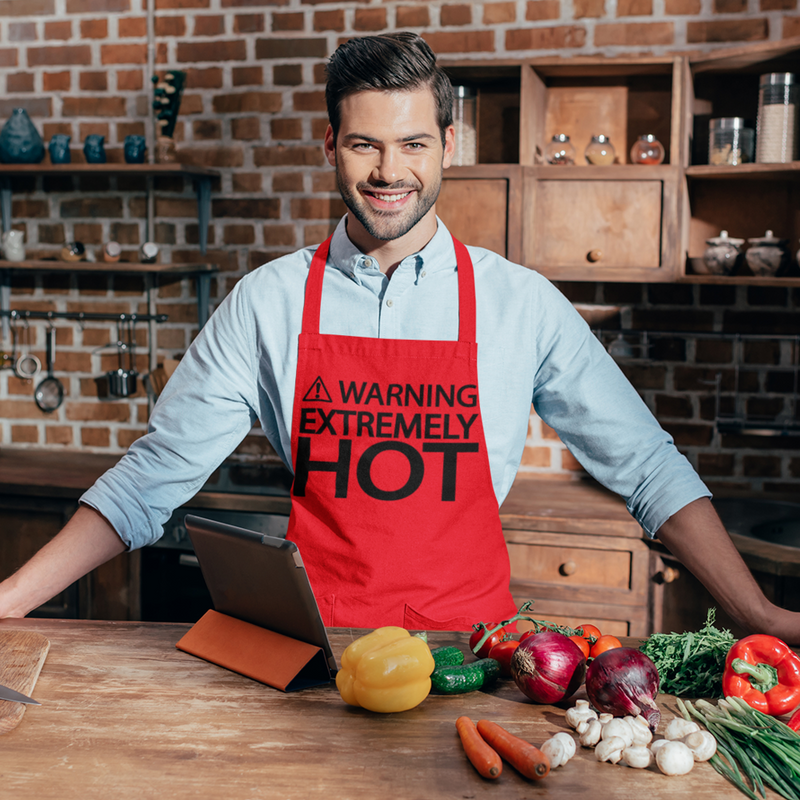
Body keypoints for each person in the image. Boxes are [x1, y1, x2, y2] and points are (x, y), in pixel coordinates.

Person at [1, 33, 798, 642]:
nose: (390, 171)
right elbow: (151, 480)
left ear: (447, 147)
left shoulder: (520, 304)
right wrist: (7, 603)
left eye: (414, 144)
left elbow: (647, 466)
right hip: (312, 654)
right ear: (330, 146)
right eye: (365, 144)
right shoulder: (266, 303)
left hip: (474, 656)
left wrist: (754, 609)